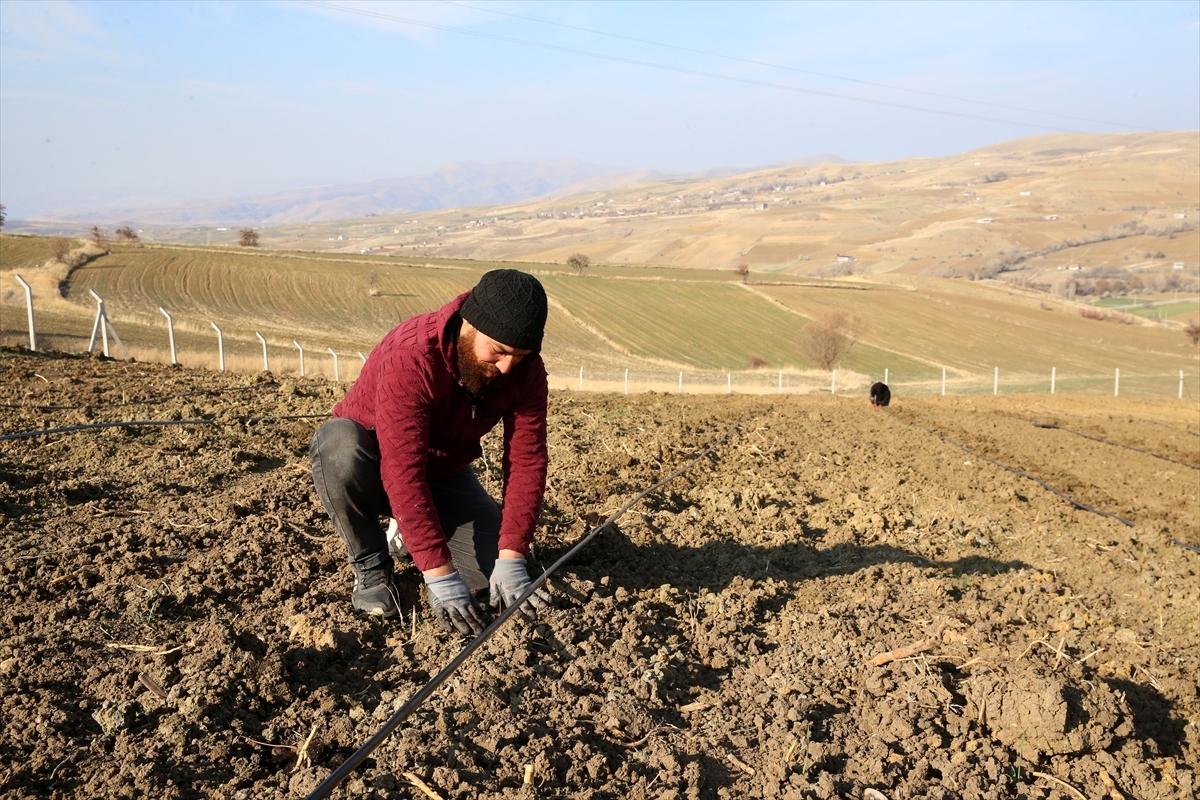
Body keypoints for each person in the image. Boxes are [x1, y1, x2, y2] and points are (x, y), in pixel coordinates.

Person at [308, 269, 551, 634]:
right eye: (498, 352)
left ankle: (410, 533)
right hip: (371, 463)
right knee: (339, 445)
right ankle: (373, 567)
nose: (506, 367)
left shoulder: (526, 372)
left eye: (520, 356)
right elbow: (401, 470)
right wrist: (439, 575)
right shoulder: (413, 355)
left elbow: (527, 461)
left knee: (488, 574)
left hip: (441, 473)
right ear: (468, 323)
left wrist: (512, 555)